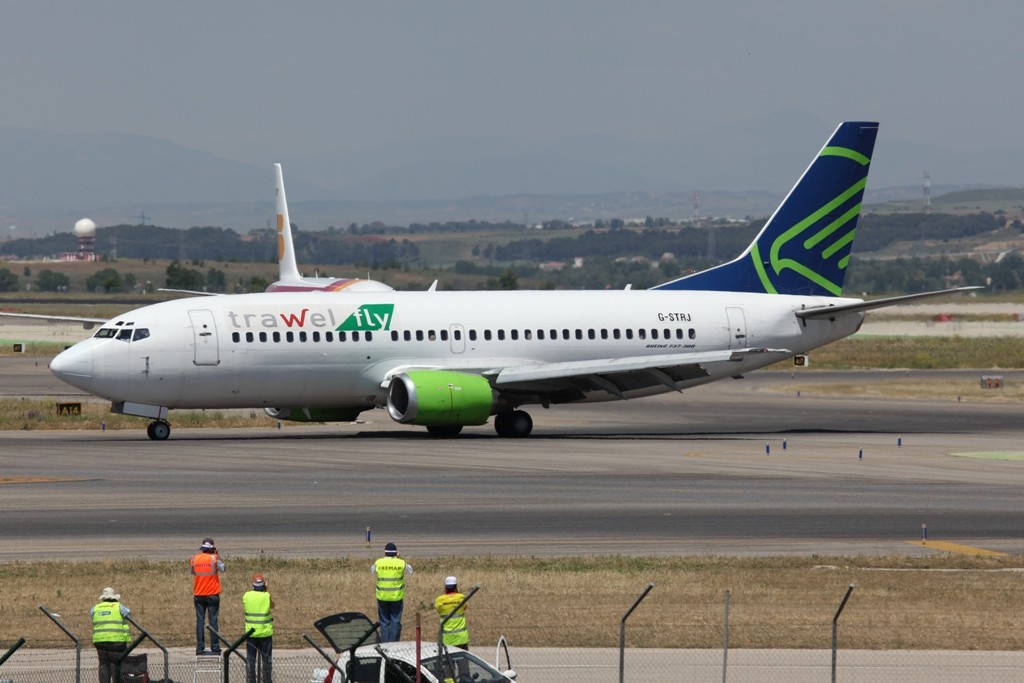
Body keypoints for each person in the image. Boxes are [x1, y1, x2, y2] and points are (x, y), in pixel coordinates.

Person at [190, 537, 225, 654]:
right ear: (212, 548)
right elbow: (223, 568)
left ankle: (200, 647)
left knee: (200, 621)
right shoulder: (214, 558)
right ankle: (215, 647)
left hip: (199, 594)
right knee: (213, 621)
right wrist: (217, 555)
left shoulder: (195, 559)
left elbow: (193, 572)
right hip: (212, 594)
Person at [371, 542, 412, 642]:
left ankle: (385, 644)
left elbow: (372, 571)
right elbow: (410, 571)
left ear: (385, 553)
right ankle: (394, 644)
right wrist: (400, 558)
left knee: (384, 622)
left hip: (382, 597)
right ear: (396, 553)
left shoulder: (378, 562)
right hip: (396, 597)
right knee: (395, 621)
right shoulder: (401, 563)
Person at [91, 587, 131, 683]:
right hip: (116, 642)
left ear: (103, 598)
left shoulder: (95, 608)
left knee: (103, 665)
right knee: (116, 664)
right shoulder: (118, 606)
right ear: (114, 598)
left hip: (100, 642)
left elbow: (91, 614)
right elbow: (128, 613)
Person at [243, 574, 274, 683]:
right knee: (266, 660)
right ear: (263, 585)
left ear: (253, 585)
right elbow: (272, 605)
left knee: (251, 660)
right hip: (265, 632)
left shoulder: (246, 595)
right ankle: (267, 680)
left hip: (251, 633)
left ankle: (251, 680)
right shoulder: (266, 595)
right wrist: (266, 590)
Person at [434, 576, 470, 651]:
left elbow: (439, 611)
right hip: (461, 638)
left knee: (448, 662)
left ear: (445, 587)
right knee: (463, 662)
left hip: (447, 639)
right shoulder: (461, 597)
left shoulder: (439, 600)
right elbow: (464, 608)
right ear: (456, 586)